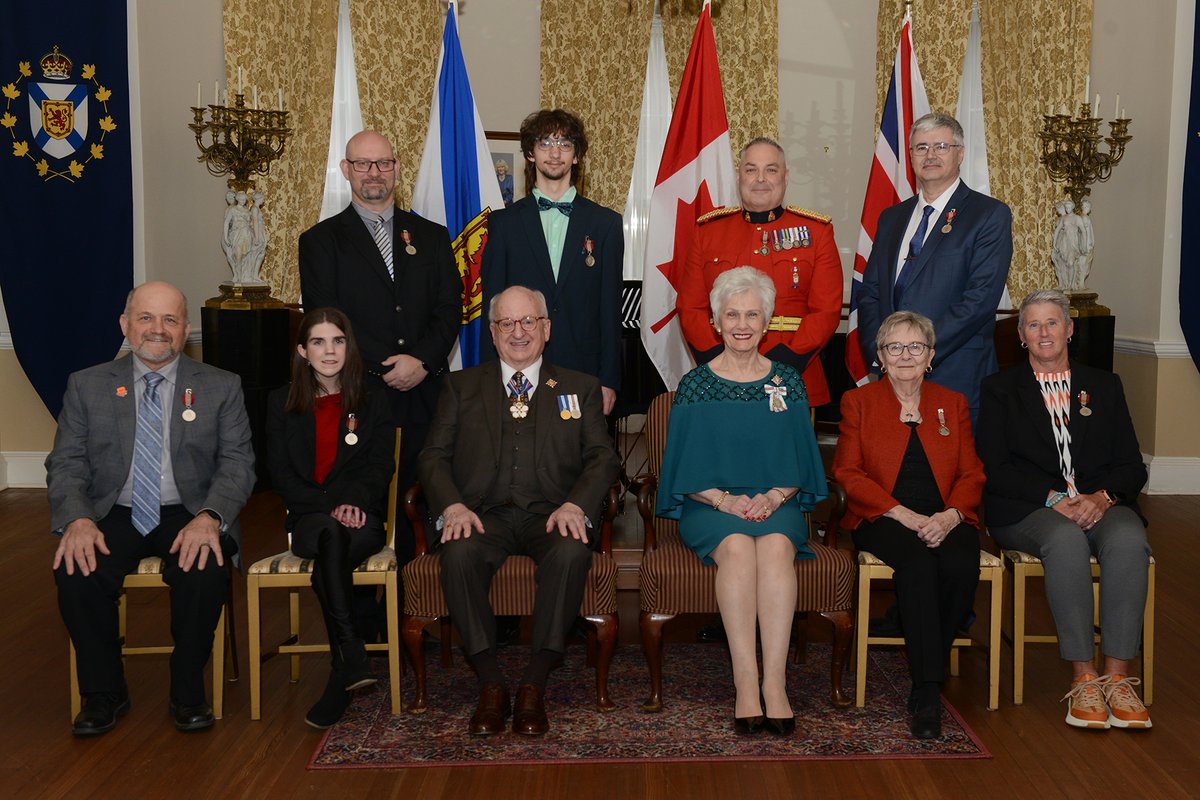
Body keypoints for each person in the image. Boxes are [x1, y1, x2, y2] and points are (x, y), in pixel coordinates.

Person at [47, 281, 255, 736]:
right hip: (111, 510)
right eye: (145, 318)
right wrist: (78, 519)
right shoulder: (87, 385)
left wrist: (211, 518)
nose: (156, 330)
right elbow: (66, 462)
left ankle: (187, 692)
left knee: (204, 566)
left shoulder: (221, 386)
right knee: (77, 569)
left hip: (190, 510)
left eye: (169, 320)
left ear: (185, 332)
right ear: (125, 325)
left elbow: (238, 463)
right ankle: (103, 693)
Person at [418, 286, 620, 737]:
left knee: (570, 552)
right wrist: (451, 506)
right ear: (492, 333)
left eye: (528, 321)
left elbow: (602, 457)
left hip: (551, 513)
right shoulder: (460, 385)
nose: (518, 332)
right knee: (458, 553)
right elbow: (432, 455)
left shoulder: (579, 387)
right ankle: (490, 682)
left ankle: (534, 680)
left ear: (546, 329)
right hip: (480, 514)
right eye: (506, 323)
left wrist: (576, 504)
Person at [656, 267, 828, 737]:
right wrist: (727, 502)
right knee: (735, 547)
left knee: (773, 548)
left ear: (767, 320)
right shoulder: (696, 384)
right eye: (732, 314)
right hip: (711, 507)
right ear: (716, 321)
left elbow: (802, 458)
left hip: (779, 501)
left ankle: (776, 683)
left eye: (753, 313)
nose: (742, 324)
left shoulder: (788, 382)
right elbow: (683, 469)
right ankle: (744, 681)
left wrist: (774, 496)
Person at [977, 289, 1151, 730]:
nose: (1044, 332)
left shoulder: (1105, 385)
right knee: (1066, 540)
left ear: (1070, 329)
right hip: (1027, 508)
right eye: (1032, 325)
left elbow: (1132, 465)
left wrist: (1102, 498)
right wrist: (1055, 499)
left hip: (1100, 503)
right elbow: (993, 467)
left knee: (1130, 540)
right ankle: (1084, 678)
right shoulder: (1000, 389)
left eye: (1052, 322)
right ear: (1021, 336)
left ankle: (1117, 676)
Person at [299, 129, 461, 567]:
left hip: (425, 394)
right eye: (364, 164)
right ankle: (369, 617)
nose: (375, 173)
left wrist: (422, 361)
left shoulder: (431, 235)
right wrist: (388, 364)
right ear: (346, 170)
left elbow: (450, 309)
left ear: (397, 168)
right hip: (360, 392)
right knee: (364, 505)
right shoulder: (320, 241)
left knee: (424, 501)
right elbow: (326, 318)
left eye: (384, 163)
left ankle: (421, 607)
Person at [832, 310, 984, 739]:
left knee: (958, 566)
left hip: (945, 515)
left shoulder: (950, 403)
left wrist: (951, 515)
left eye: (915, 346)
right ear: (879, 356)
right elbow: (848, 473)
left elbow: (972, 474)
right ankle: (927, 689)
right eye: (894, 347)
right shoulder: (858, 402)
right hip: (882, 515)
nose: (905, 355)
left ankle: (924, 655)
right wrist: (902, 513)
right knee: (918, 566)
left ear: (930, 355)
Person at [266, 308, 395, 729]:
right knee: (327, 535)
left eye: (337, 341)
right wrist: (327, 507)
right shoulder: (280, 402)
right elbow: (279, 474)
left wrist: (353, 499)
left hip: (362, 519)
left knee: (333, 550)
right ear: (303, 350)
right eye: (318, 342)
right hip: (309, 518)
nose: (329, 350)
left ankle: (345, 666)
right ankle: (352, 652)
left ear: (348, 346)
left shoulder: (372, 399)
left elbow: (380, 466)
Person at [856, 112, 1013, 421]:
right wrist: (885, 352)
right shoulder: (892, 218)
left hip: (954, 373)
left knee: (953, 469)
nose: (930, 155)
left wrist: (916, 353)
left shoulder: (988, 215)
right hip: (891, 376)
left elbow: (979, 301)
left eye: (941, 146)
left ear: (960, 153)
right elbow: (870, 293)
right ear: (911, 156)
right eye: (921, 148)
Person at [676, 136, 843, 409]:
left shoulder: (817, 232)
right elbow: (690, 306)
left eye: (771, 169)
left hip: (792, 372)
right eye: (751, 169)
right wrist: (721, 363)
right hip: (720, 375)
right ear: (739, 176)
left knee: (788, 453)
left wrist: (783, 364)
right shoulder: (708, 231)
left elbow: (826, 312)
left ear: (785, 177)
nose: (760, 178)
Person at [481, 109, 623, 415]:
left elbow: (611, 310)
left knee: (580, 461)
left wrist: (609, 380)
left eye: (565, 144)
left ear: (576, 155)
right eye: (545, 143)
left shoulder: (606, 224)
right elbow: (491, 309)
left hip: (584, 371)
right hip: (518, 369)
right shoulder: (503, 224)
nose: (555, 153)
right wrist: (489, 377)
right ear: (530, 153)